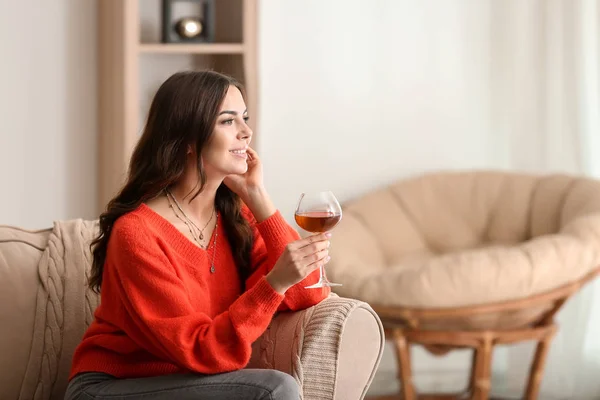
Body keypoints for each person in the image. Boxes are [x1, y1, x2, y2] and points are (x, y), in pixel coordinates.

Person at [64, 70, 331, 400]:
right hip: (111, 388)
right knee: (275, 389)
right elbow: (202, 351)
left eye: (244, 119)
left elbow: (308, 292)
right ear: (189, 138)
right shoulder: (137, 234)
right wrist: (273, 284)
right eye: (228, 121)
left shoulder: (236, 217)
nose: (246, 132)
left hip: (191, 382)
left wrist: (257, 196)